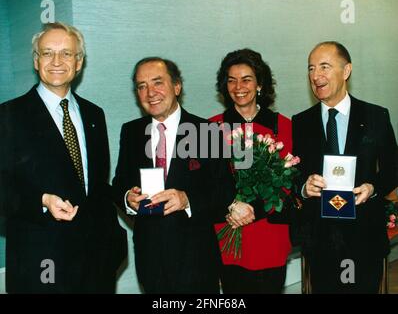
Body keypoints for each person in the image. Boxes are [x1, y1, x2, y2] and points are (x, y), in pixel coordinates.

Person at [0, 22, 127, 293]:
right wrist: (42, 201)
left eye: (67, 54)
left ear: (79, 63)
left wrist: (127, 199)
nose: (57, 61)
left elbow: (95, 186)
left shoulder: (94, 115)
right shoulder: (8, 115)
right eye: (47, 53)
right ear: (36, 61)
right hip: (41, 264)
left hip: (96, 264)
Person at [112, 57, 253, 293]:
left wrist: (187, 199)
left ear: (177, 86)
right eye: (141, 86)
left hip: (196, 258)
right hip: (150, 258)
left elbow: (224, 192)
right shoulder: (132, 132)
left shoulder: (205, 132)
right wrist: (128, 197)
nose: (150, 93)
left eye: (158, 83)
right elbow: (119, 184)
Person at [292, 41, 398, 293]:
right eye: (311, 68)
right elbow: (291, 176)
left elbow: (394, 169)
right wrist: (304, 188)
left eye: (325, 67)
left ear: (346, 70)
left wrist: (372, 188)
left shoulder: (376, 116)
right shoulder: (300, 122)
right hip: (320, 241)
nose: (316, 76)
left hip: (365, 237)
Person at [209, 48, 293, 294]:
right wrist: (232, 206)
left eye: (246, 79)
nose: (238, 86)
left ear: (260, 84)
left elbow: (287, 183)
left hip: (270, 233)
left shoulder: (284, 126)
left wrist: (253, 209)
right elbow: (208, 182)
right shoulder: (212, 127)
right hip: (229, 231)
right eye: (231, 80)